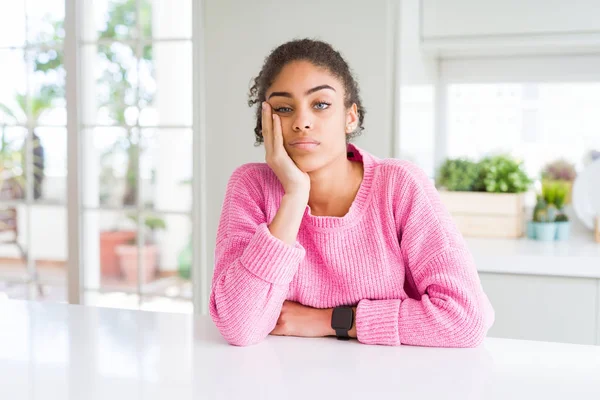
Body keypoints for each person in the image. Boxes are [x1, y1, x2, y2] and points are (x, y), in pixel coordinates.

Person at [209, 38, 494, 347]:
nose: (302, 122)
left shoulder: (398, 185)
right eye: (284, 108)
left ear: (350, 117)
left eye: (320, 105)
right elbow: (238, 325)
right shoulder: (250, 187)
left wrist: (330, 321)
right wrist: (294, 195)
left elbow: (466, 318)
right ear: (267, 122)